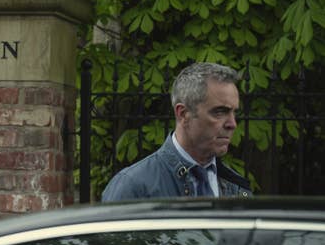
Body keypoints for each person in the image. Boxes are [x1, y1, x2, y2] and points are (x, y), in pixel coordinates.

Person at [101, 62, 252, 202]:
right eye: (219, 112)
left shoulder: (237, 187)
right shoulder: (134, 186)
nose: (232, 124)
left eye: (234, 113)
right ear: (183, 114)